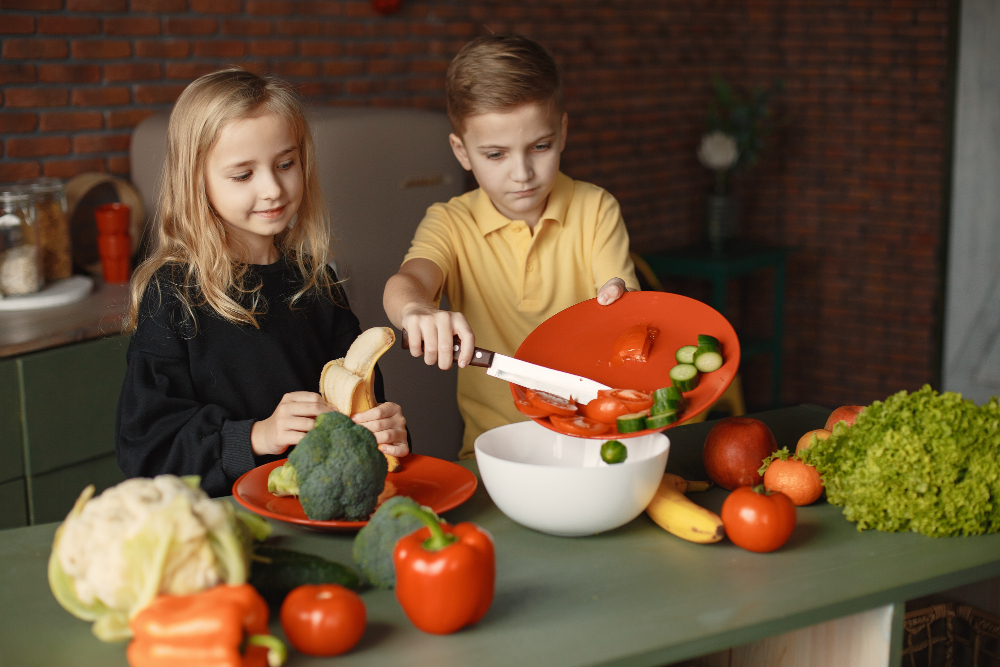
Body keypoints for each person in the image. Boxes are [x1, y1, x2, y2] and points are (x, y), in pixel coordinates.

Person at [117, 69, 408, 497]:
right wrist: (256, 436)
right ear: (196, 181)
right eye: (243, 175)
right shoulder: (172, 296)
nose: (273, 188)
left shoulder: (319, 286)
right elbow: (147, 454)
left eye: (285, 164)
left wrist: (386, 434)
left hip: (316, 518)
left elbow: (364, 424)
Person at [383, 35, 641, 459]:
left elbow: (622, 305)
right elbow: (409, 280)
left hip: (596, 439)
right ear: (462, 152)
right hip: (493, 453)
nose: (522, 173)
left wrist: (621, 299)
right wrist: (416, 309)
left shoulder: (596, 208)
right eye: (496, 154)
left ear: (561, 133)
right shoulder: (450, 221)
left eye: (539, 147)